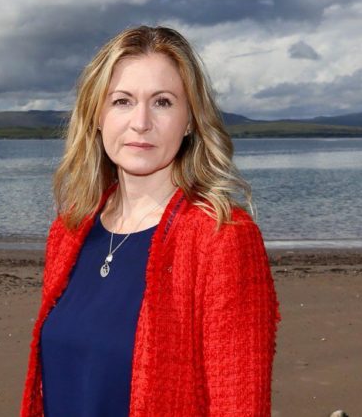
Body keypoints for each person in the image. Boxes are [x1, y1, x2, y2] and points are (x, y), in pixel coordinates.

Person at [20, 26, 279, 416]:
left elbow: (240, 402)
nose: (141, 122)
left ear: (190, 120)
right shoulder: (70, 231)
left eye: (162, 102)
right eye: (122, 101)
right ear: (96, 116)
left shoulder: (222, 238)